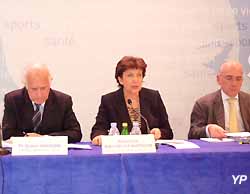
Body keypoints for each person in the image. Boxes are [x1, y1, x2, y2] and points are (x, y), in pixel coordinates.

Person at [91, 56, 173, 145]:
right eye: (130, 75)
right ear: (120, 79)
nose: (136, 80)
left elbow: (168, 131)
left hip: (149, 151)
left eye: (139, 75)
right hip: (121, 150)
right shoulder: (109, 100)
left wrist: (159, 132)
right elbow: (98, 129)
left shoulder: (153, 97)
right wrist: (99, 137)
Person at [2, 64, 82, 143]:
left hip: (53, 154)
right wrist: (27, 138)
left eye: (43, 88)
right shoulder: (13, 100)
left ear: (50, 83)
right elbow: (7, 133)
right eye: (34, 89)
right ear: (26, 86)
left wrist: (45, 138)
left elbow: (75, 133)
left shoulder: (63, 101)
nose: (39, 94)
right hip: (23, 153)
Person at [188, 61, 250, 139]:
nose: (234, 83)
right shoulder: (204, 104)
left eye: (238, 79)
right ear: (218, 79)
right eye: (229, 78)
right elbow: (192, 133)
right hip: (219, 147)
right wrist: (208, 130)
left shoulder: (248, 101)